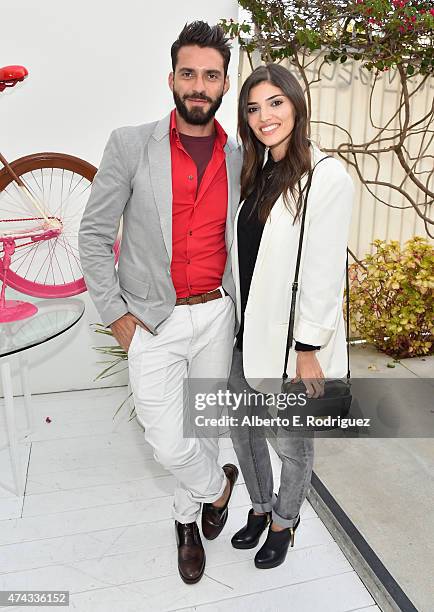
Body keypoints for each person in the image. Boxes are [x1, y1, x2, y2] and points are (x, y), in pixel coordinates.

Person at [78, 21, 242, 585]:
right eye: (189, 73)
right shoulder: (130, 144)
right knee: (167, 438)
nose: (199, 85)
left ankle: (187, 521)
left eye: (211, 75)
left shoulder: (241, 156)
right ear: (171, 78)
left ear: (225, 84)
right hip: (153, 318)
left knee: (205, 429)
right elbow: (94, 234)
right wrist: (116, 315)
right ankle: (219, 488)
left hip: (217, 312)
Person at [228, 63, 354, 569]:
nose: (265, 116)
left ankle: (286, 519)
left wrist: (307, 349)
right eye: (254, 108)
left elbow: (325, 271)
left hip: (293, 344)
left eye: (275, 102)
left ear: (297, 106)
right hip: (247, 332)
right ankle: (260, 507)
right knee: (243, 426)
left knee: (292, 440)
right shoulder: (256, 174)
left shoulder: (325, 176)